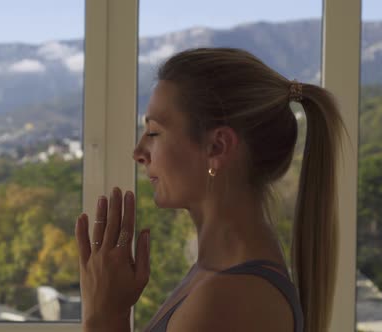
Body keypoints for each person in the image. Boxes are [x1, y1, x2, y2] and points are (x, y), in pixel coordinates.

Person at [75, 47, 344, 332]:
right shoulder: (217, 276)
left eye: (154, 132)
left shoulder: (231, 298)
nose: (139, 152)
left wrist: (105, 314)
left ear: (217, 147)